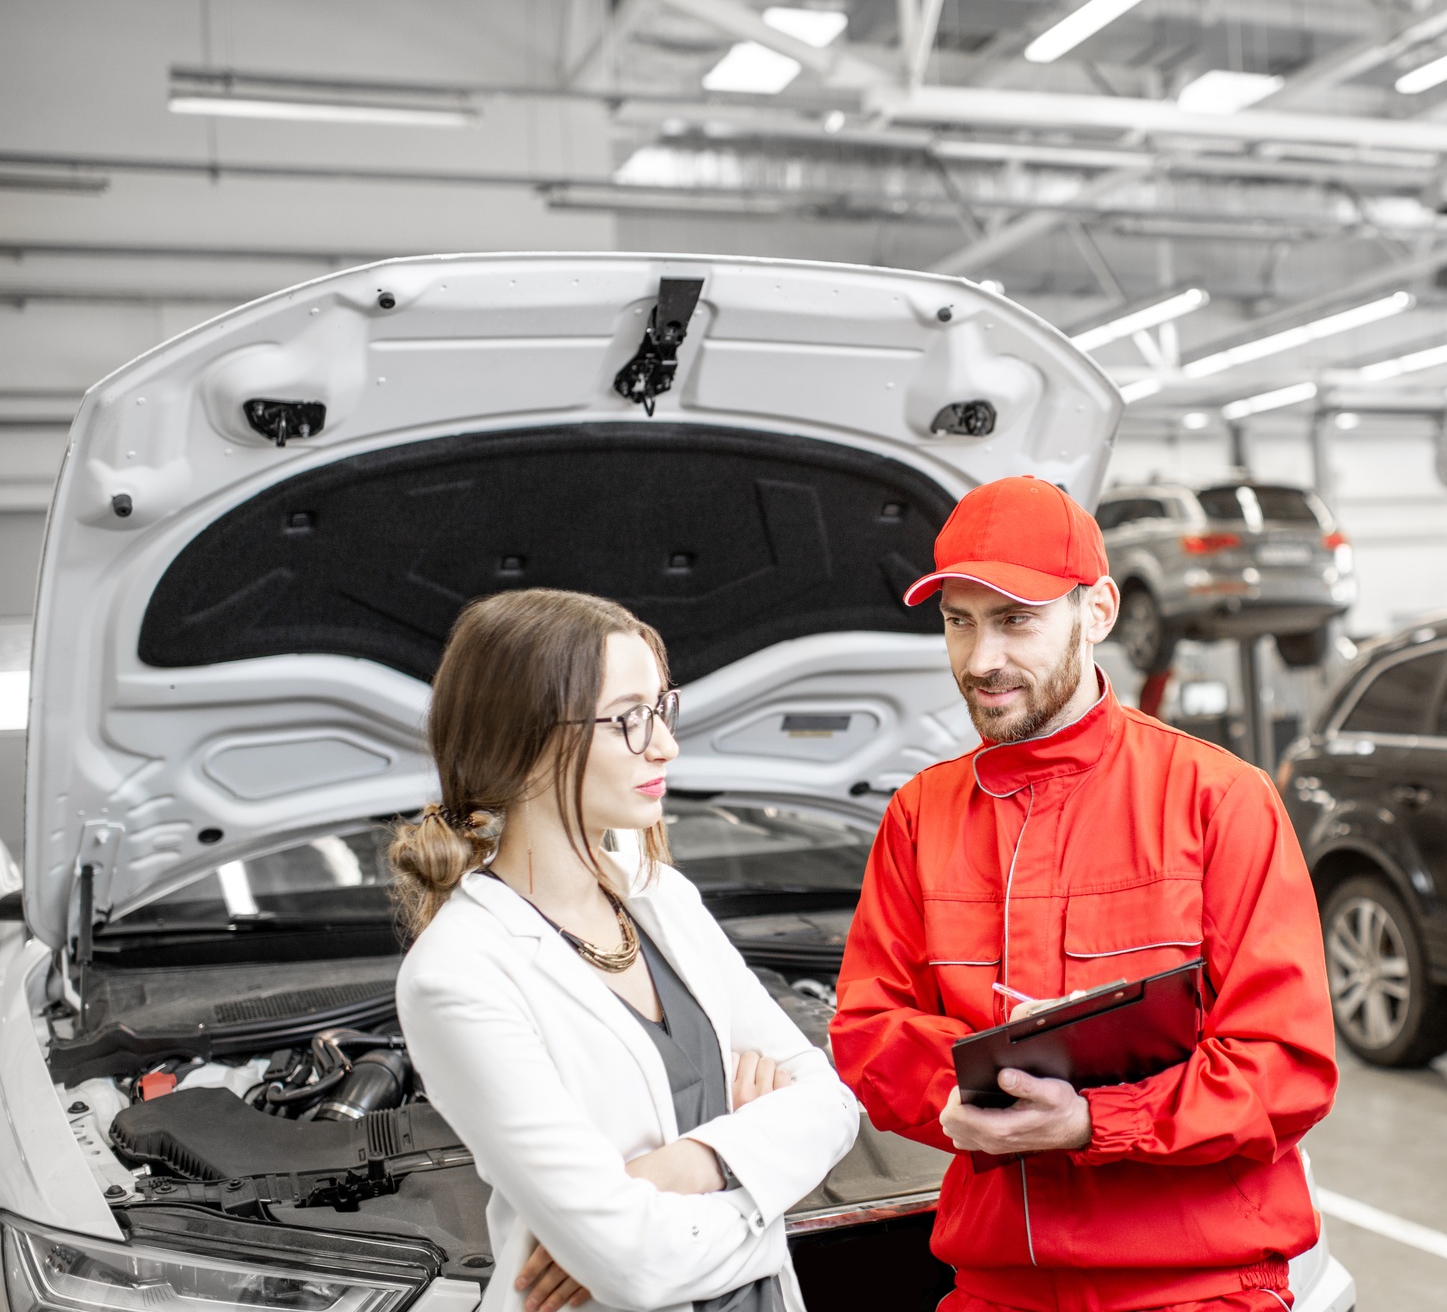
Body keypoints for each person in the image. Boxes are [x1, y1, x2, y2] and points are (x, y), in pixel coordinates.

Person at [830, 476, 1339, 1312]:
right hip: (998, 1286)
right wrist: (953, 1096)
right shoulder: (920, 816)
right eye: (959, 621)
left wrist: (1097, 1123)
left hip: (1194, 1285)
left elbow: (1283, 1066)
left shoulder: (1218, 800)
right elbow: (868, 1027)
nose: (981, 658)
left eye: (1015, 620)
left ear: (1097, 611)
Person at [393, 588, 859, 1312]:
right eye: (628, 721)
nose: (665, 745)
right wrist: (765, 1188)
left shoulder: (660, 898)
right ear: (528, 740)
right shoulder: (456, 975)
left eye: (660, 709)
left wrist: (688, 1165)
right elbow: (635, 1269)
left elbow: (831, 1105)